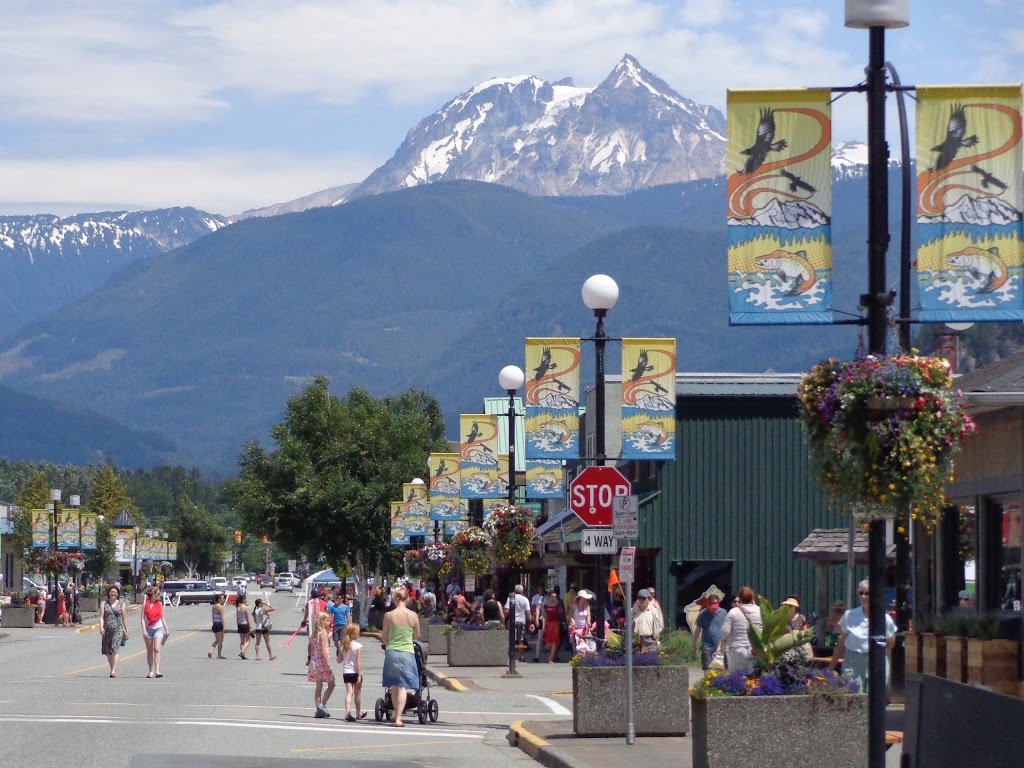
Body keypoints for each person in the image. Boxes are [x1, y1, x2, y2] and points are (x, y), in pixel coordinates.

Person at [828, 580, 897, 692]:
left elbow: (891, 642)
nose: (863, 596)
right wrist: (830, 669)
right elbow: (841, 643)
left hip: (875, 660)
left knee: (874, 698)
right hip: (853, 660)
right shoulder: (850, 615)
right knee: (853, 696)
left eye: (867, 593)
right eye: (861, 593)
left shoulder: (884, 618)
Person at [380, 586, 421, 727]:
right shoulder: (413, 616)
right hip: (407, 652)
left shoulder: (389, 616)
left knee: (394, 685)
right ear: (407, 599)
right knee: (403, 686)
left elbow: (384, 636)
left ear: (396, 598)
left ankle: (395, 714)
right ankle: (398, 717)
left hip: (392, 651)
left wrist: (389, 643)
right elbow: (417, 636)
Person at [715, 586, 762, 673]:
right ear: (752, 597)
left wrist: (720, 645)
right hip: (755, 650)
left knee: (737, 678)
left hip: (738, 649)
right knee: (755, 678)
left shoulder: (734, 612)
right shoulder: (759, 611)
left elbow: (725, 631)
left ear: (740, 598)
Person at [308, 612, 336, 718]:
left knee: (319, 687)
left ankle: (318, 708)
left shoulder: (316, 633)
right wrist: (328, 664)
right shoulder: (322, 634)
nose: (329, 622)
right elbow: (324, 650)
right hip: (323, 662)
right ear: (322, 621)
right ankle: (322, 706)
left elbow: (312, 646)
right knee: (331, 684)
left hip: (315, 662)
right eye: (327, 620)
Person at [99, 584, 128, 677]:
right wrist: (101, 627)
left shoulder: (121, 604)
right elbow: (101, 617)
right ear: (108, 593)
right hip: (107, 629)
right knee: (108, 651)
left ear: (118, 594)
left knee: (115, 649)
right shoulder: (104, 603)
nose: (113, 594)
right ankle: (112, 668)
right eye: (111, 592)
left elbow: (124, 619)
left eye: (115, 592)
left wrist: (127, 630)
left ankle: (113, 671)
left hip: (118, 629)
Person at [692, 595, 728, 670]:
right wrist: (694, 644)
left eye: (715, 607)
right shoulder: (703, 614)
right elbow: (698, 629)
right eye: (711, 607)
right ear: (708, 604)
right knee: (708, 670)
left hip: (720, 646)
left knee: (721, 670)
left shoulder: (723, 613)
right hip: (707, 646)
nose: (713, 609)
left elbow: (727, 628)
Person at [340, 624, 367, 721]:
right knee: (357, 693)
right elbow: (359, 661)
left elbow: (339, 660)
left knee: (349, 692)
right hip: (355, 671)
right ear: (355, 634)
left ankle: (348, 712)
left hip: (346, 671)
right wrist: (359, 674)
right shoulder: (358, 646)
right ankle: (358, 713)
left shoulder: (344, 645)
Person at [141, 586, 168, 679]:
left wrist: (166, 629)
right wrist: (144, 630)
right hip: (148, 629)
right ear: (152, 594)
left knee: (157, 648)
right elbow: (142, 619)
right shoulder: (145, 604)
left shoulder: (159, 604)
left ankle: (157, 670)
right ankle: (150, 671)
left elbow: (162, 617)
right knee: (149, 650)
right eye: (157, 594)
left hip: (158, 628)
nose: (158, 595)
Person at [504, 584, 534, 662]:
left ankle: (511, 655)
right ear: (522, 591)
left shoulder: (510, 598)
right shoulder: (525, 599)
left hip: (512, 620)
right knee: (521, 639)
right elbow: (528, 612)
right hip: (521, 621)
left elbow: (506, 610)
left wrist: (503, 619)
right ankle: (521, 656)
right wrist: (531, 622)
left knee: (511, 639)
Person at [631, 588, 664, 653]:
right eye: (639, 598)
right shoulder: (632, 611)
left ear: (648, 600)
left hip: (650, 641)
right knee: (636, 662)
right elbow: (627, 625)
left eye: (643, 598)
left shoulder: (654, 611)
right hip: (636, 641)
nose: (641, 600)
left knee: (652, 661)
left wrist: (656, 638)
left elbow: (659, 625)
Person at [539, 590, 564, 663]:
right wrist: (543, 625)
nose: (554, 599)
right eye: (552, 597)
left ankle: (551, 658)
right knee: (548, 643)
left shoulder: (557, 605)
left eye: (555, 597)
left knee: (555, 641)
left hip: (556, 624)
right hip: (548, 624)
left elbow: (561, 613)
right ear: (549, 597)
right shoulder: (545, 605)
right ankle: (551, 655)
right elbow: (543, 616)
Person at [328, 593, 351, 659]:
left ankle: (341, 651)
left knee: (342, 640)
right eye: (337, 598)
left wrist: (349, 624)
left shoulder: (345, 607)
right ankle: (338, 649)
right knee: (335, 641)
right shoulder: (334, 607)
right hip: (335, 625)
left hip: (343, 625)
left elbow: (347, 616)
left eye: (340, 598)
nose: (338, 600)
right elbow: (329, 615)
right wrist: (329, 622)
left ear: (342, 599)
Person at [530, 584, 547, 661]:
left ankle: (552, 656)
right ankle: (537, 656)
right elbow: (537, 609)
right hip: (542, 619)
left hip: (550, 620)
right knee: (539, 637)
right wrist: (536, 619)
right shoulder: (542, 599)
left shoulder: (552, 599)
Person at [208, 593, 227, 659]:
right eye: (222, 598)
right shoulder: (220, 607)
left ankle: (211, 650)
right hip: (219, 624)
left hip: (215, 623)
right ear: (219, 599)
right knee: (220, 641)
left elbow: (213, 617)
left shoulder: (214, 606)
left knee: (217, 640)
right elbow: (222, 618)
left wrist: (213, 624)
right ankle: (219, 655)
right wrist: (224, 627)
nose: (224, 600)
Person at [235, 593, 253, 659]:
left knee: (242, 640)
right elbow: (248, 617)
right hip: (245, 624)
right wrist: (250, 626)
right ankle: (242, 651)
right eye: (246, 599)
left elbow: (237, 618)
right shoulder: (245, 607)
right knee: (248, 640)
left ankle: (243, 654)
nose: (246, 600)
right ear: (243, 600)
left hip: (240, 624)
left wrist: (237, 625)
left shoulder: (237, 608)